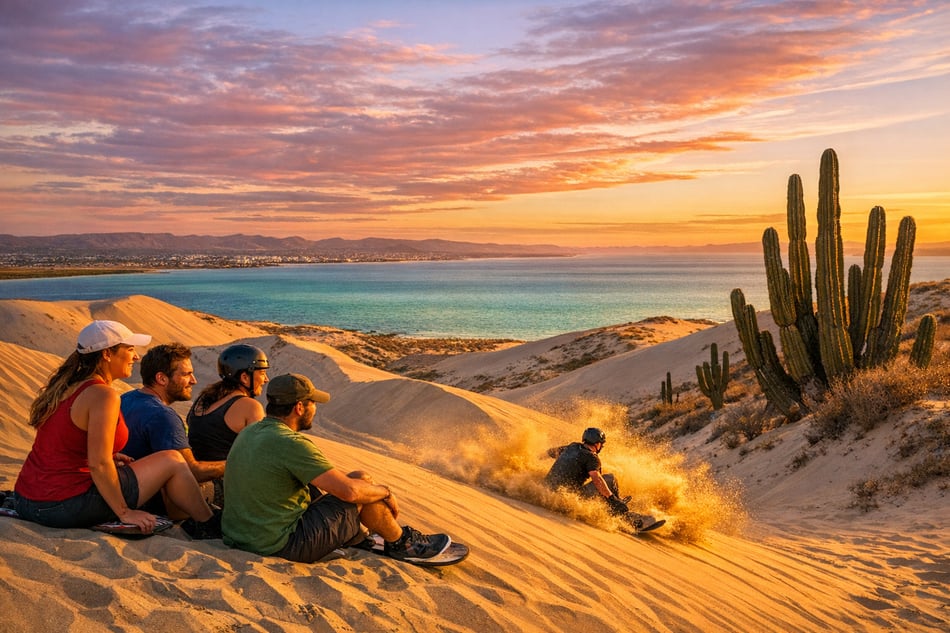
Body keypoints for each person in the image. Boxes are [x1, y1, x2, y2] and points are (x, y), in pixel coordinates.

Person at [12, 320, 220, 538]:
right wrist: (125, 512)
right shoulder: (103, 395)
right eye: (129, 349)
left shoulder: (66, 388)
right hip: (64, 505)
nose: (136, 357)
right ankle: (207, 524)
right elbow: (98, 464)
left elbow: (64, 442)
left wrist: (110, 456)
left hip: (27, 500)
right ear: (107, 354)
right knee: (173, 460)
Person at [222, 373, 450, 564]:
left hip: (242, 537)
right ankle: (402, 543)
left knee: (360, 478)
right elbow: (349, 493)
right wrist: (387, 491)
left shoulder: (251, 431)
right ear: (300, 407)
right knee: (361, 491)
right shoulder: (290, 443)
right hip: (280, 545)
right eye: (313, 403)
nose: (315, 409)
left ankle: (360, 537)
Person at [120, 343, 224, 516]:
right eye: (187, 374)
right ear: (162, 379)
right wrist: (235, 462)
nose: (194, 380)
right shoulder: (162, 415)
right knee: (223, 486)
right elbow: (193, 471)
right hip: (152, 503)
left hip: (126, 488)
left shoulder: (126, 398)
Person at [186, 343, 269, 505]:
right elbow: (259, 458)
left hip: (195, 480)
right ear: (245, 377)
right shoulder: (250, 407)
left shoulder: (203, 399)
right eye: (263, 373)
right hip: (224, 487)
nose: (266, 379)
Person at [544, 427, 653, 528]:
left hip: (547, 490)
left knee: (604, 487)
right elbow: (597, 479)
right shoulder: (592, 457)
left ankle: (616, 503)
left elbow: (550, 452)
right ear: (597, 444)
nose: (602, 446)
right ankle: (622, 515)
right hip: (566, 497)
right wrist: (612, 499)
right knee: (610, 478)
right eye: (601, 443)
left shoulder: (572, 447)